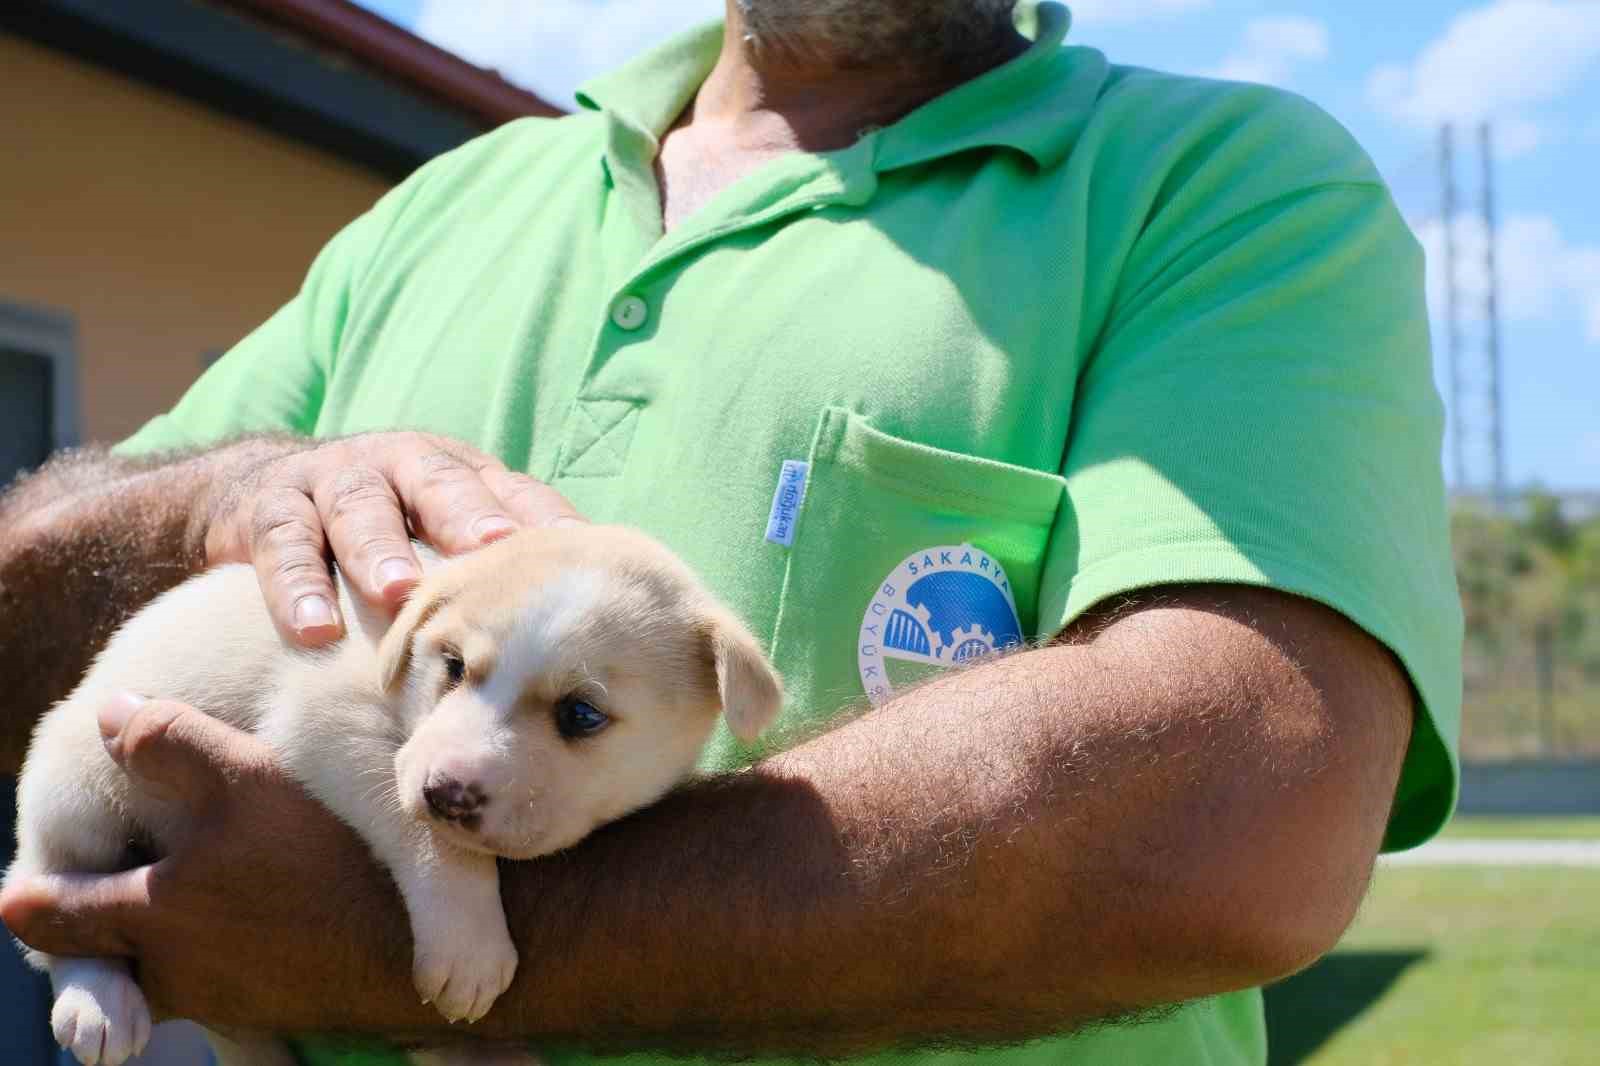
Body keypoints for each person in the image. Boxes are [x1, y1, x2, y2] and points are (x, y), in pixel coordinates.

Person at [0, 2, 1462, 1065]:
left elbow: (1241, 810)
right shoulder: (446, 208)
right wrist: (224, 491)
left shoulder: (1220, 189)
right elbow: (25, 635)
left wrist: (420, 936)